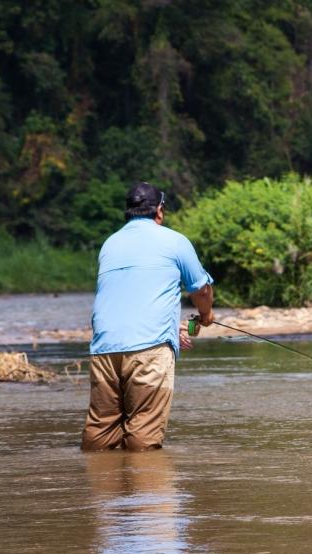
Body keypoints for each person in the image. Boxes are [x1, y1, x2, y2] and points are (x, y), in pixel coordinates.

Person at [81, 182, 214, 452]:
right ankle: (147, 491)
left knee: (100, 434)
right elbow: (201, 290)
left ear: (127, 212)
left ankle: (99, 485)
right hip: (150, 349)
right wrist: (206, 315)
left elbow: (127, 295)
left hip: (104, 349)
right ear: (160, 212)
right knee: (143, 438)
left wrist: (168, 327)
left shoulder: (110, 243)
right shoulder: (174, 240)